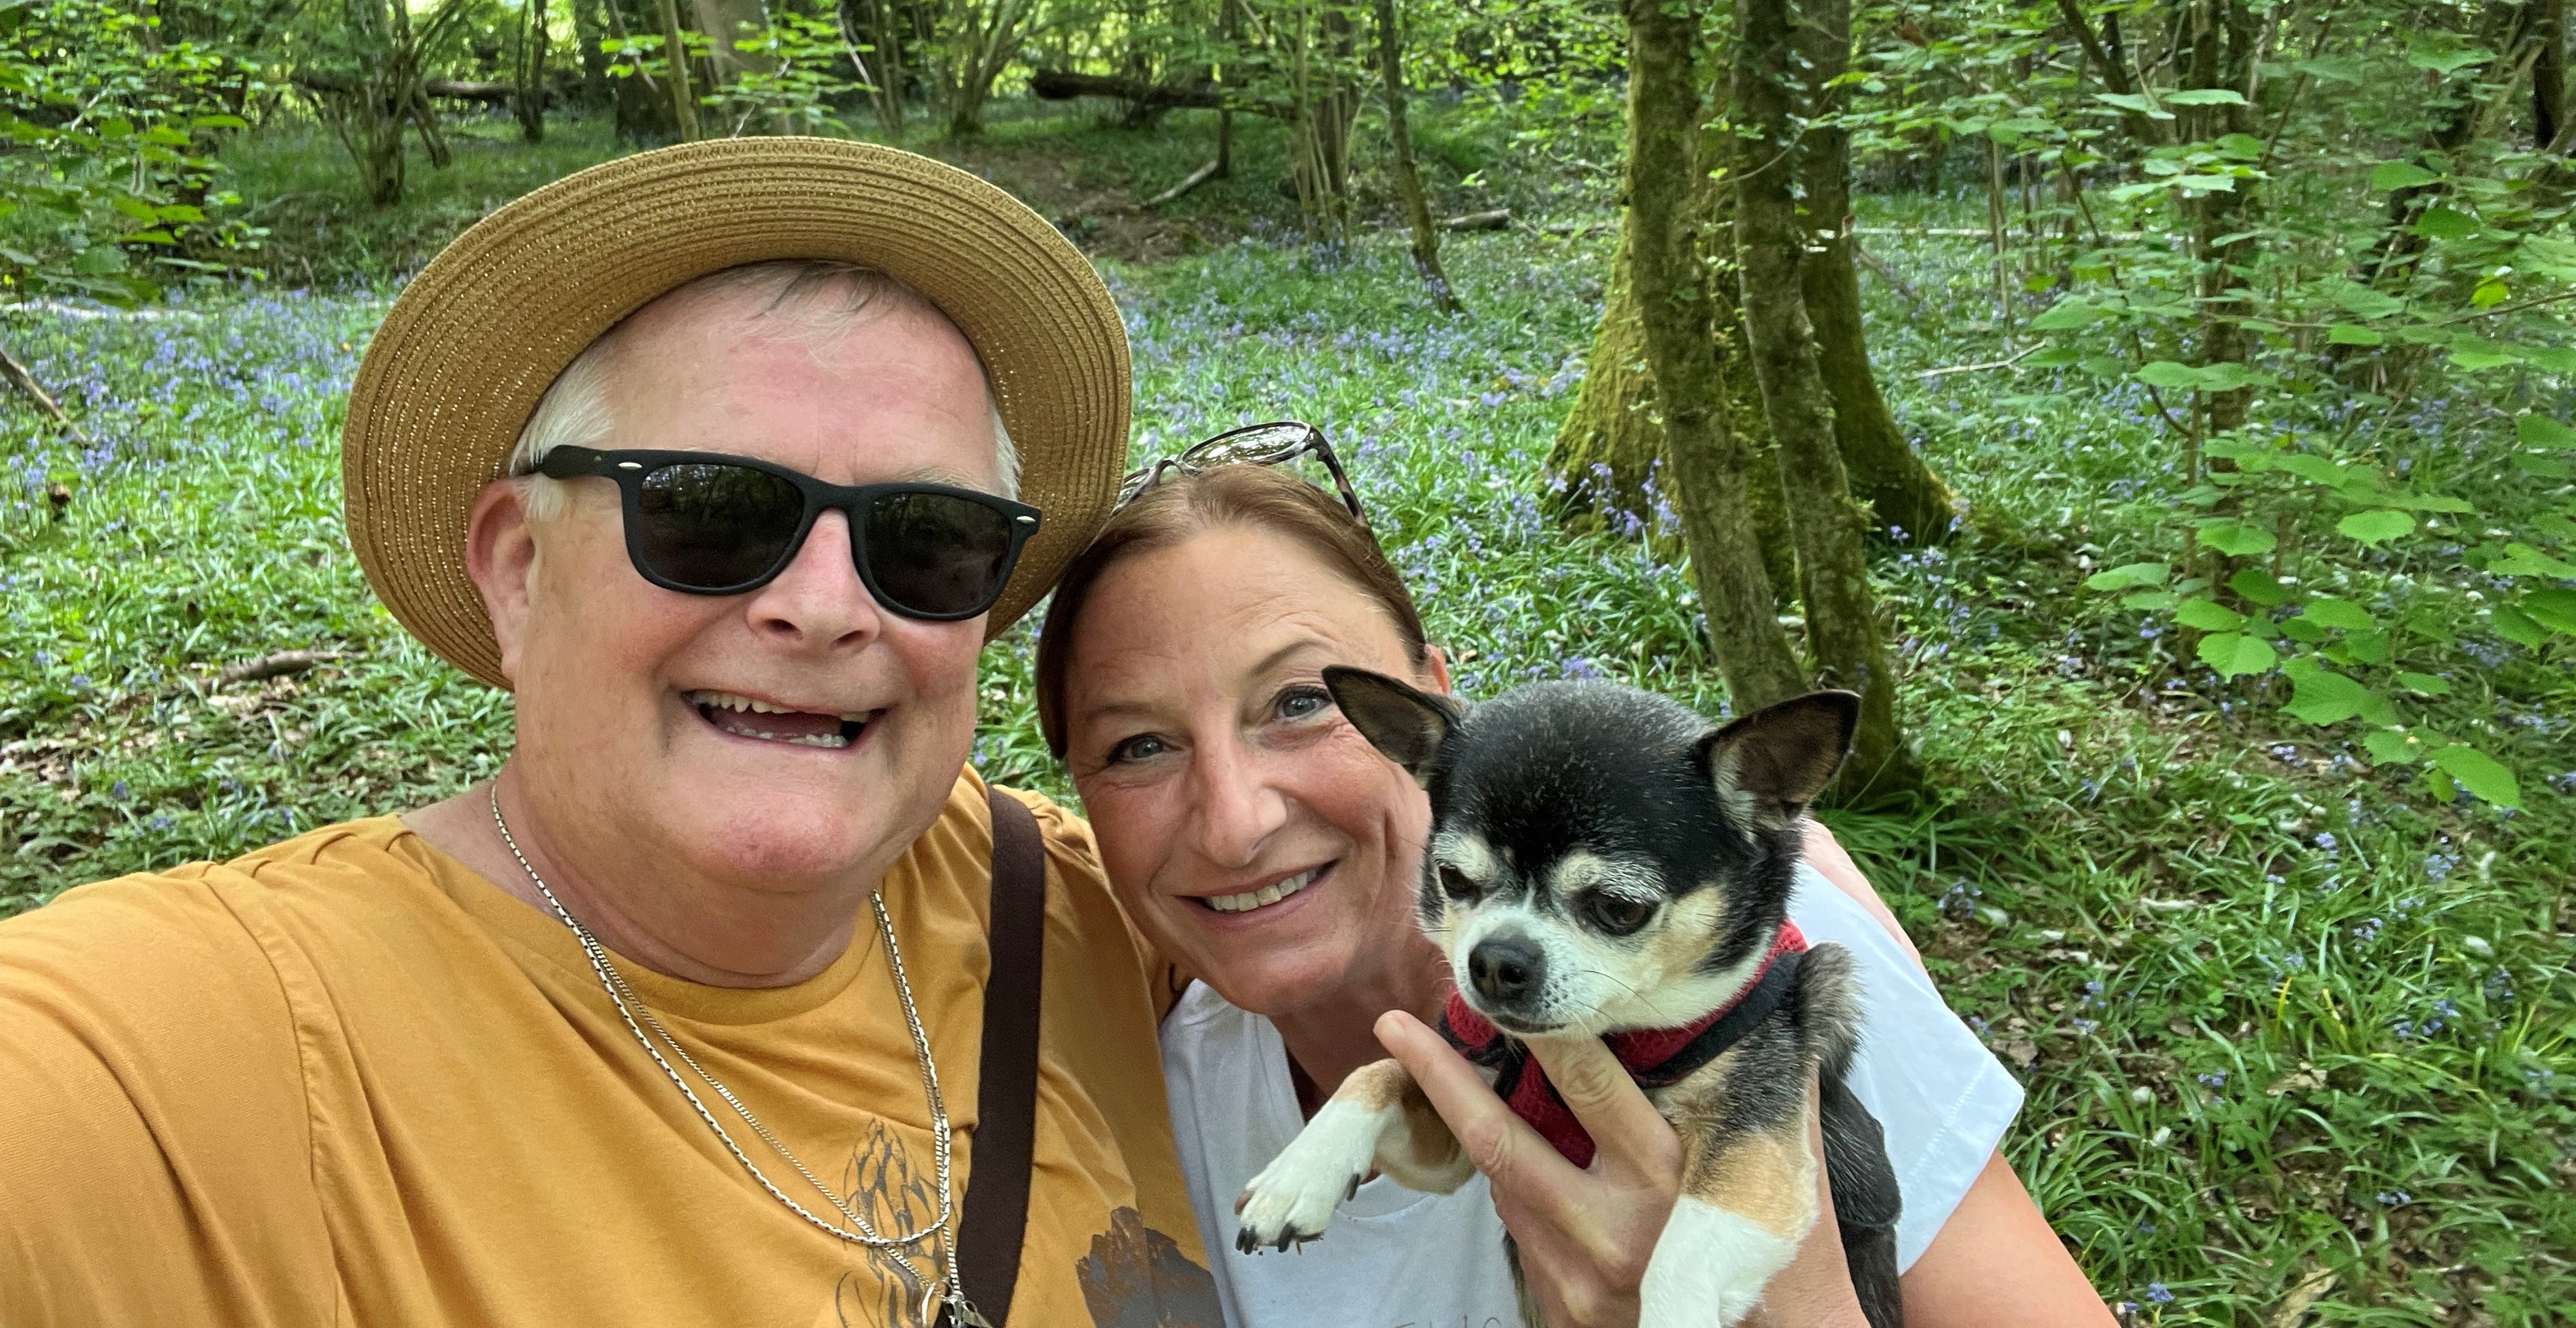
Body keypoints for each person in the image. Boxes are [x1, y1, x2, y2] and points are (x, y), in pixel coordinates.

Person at [0, 139, 1222, 1328]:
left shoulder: (1108, 910)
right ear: (520, 571)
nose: (826, 606)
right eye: (711, 512)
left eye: (927, 537)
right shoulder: (207, 1046)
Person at [1034, 431, 2120, 1328]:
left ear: (1429, 704)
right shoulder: (1147, 1101)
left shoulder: (1765, 965)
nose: (1235, 823)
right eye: (1137, 746)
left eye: (1301, 702)